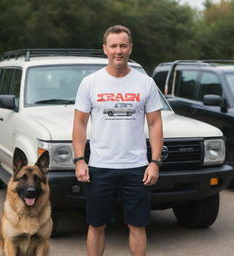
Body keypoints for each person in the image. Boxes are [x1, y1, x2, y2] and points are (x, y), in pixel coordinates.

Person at [72, 25, 163, 256]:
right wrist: (80, 160)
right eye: (113, 46)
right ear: (105, 49)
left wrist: (155, 162)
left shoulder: (146, 83)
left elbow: (155, 124)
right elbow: (80, 123)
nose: (118, 51)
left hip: (136, 168)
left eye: (123, 45)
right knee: (96, 224)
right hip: (100, 167)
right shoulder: (90, 83)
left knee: (137, 225)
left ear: (130, 48)